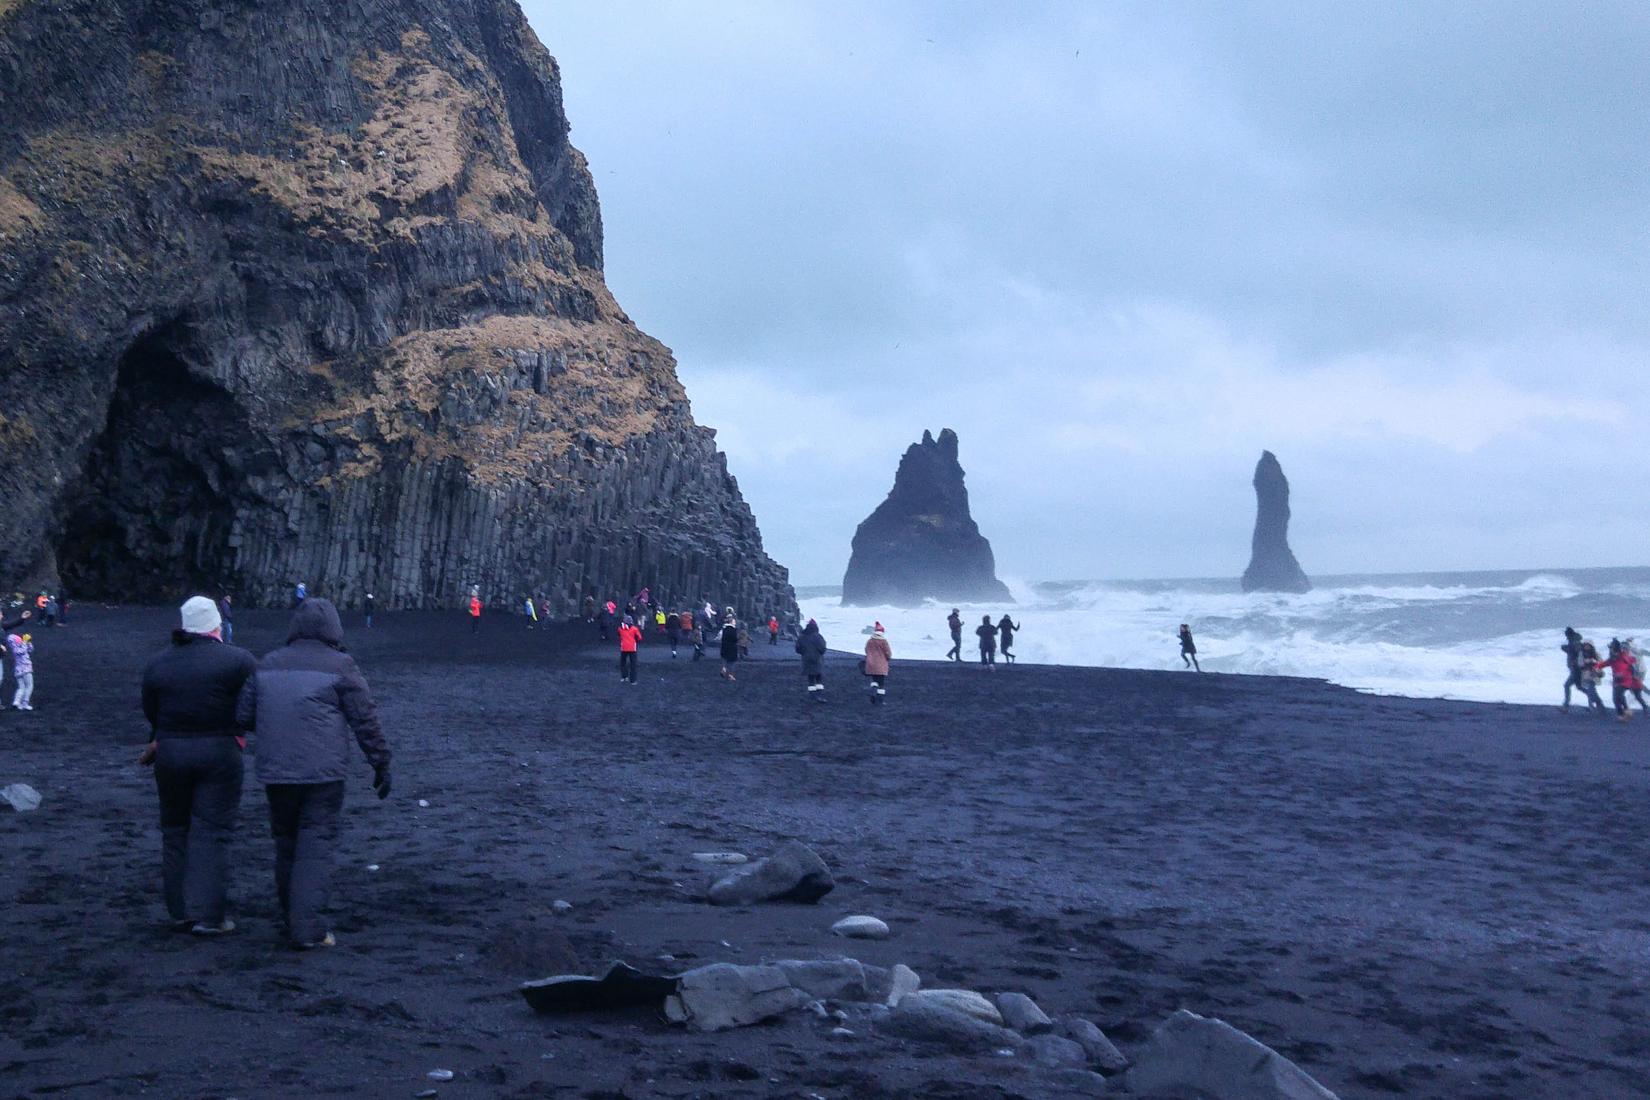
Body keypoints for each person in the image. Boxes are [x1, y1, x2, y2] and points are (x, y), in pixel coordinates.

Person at [236, 598, 390, 949]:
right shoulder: (341, 665)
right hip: (323, 774)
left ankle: (290, 919)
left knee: (286, 844)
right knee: (315, 845)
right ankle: (307, 930)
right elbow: (365, 719)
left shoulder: (267, 663)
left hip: (276, 772)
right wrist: (381, 763)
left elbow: (243, 716)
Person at [138, 596, 258, 935]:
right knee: (213, 831)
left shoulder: (158, 663)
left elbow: (151, 708)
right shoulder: (238, 661)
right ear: (216, 625)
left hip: (172, 752)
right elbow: (253, 702)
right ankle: (208, 915)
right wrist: (237, 728)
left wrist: (163, 736)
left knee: (175, 831)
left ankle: (179, 911)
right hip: (220, 751)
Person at [1604, 639, 1643, 723]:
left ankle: (1625, 713)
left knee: (1624, 696)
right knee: (1616, 698)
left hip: (1626, 680)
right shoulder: (1613, 655)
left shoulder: (1625, 656)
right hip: (1618, 680)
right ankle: (1623, 714)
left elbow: (1632, 667)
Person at [796, 619, 827, 701]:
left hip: (806, 660)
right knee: (819, 678)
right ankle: (819, 695)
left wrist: (804, 653)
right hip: (817, 660)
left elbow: (798, 649)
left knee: (810, 679)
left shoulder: (802, 637)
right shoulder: (818, 636)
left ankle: (812, 695)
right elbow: (823, 649)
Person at [864, 622, 892, 705]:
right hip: (881, 665)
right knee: (881, 683)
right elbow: (888, 653)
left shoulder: (870, 641)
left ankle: (873, 690)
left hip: (871, 664)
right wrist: (888, 659)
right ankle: (880, 700)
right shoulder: (884, 641)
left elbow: (866, 650)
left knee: (874, 680)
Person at [7, 630, 34, 710]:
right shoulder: (17, 649)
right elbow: (22, 651)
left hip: (18, 670)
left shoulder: (20, 646)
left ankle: (16, 701)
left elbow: (30, 649)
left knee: (21, 687)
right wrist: (25, 642)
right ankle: (25, 703)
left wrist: (28, 642)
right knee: (29, 685)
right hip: (25, 668)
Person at [1577, 640, 1607, 713]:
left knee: (1591, 690)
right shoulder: (1582, 654)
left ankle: (1596, 705)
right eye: (1585, 645)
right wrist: (1586, 662)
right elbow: (1580, 664)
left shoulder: (1596, 654)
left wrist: (1593, 662)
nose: (1587, 647)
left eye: (1588, 645)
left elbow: (1601, 663)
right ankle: (1597, 705)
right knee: (1591, 691)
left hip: (1594, 674)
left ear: (1591, 646)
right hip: (1586, 675)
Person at [1561, 627, 1585, 711]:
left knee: (1567, 685)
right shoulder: (1575, 640)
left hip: (1575, 668)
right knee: (1579, 687)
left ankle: (1566, 706)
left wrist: (1565, 648)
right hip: (1576, 668)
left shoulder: (1573, 642)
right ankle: (1594, 700)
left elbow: (1574, 651)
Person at [618, 614, 643, 684]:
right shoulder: (634, 629)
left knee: (623, 662)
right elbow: (639, 637)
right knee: (633, 664)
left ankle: (624, 677)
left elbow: (619, 635)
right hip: (632, 648)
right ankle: (633, 680)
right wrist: (635, 641)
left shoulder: (620, 628)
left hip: (623, 647)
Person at [719, 610, 740, 681]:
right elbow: (735, 639)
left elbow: (720, 637)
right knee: (732, 662)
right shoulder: (733, 630)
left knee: (724, 659)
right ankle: (730, 675)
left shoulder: (724, 629)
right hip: (732, 648)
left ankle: (723, 669)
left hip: (724, 646)